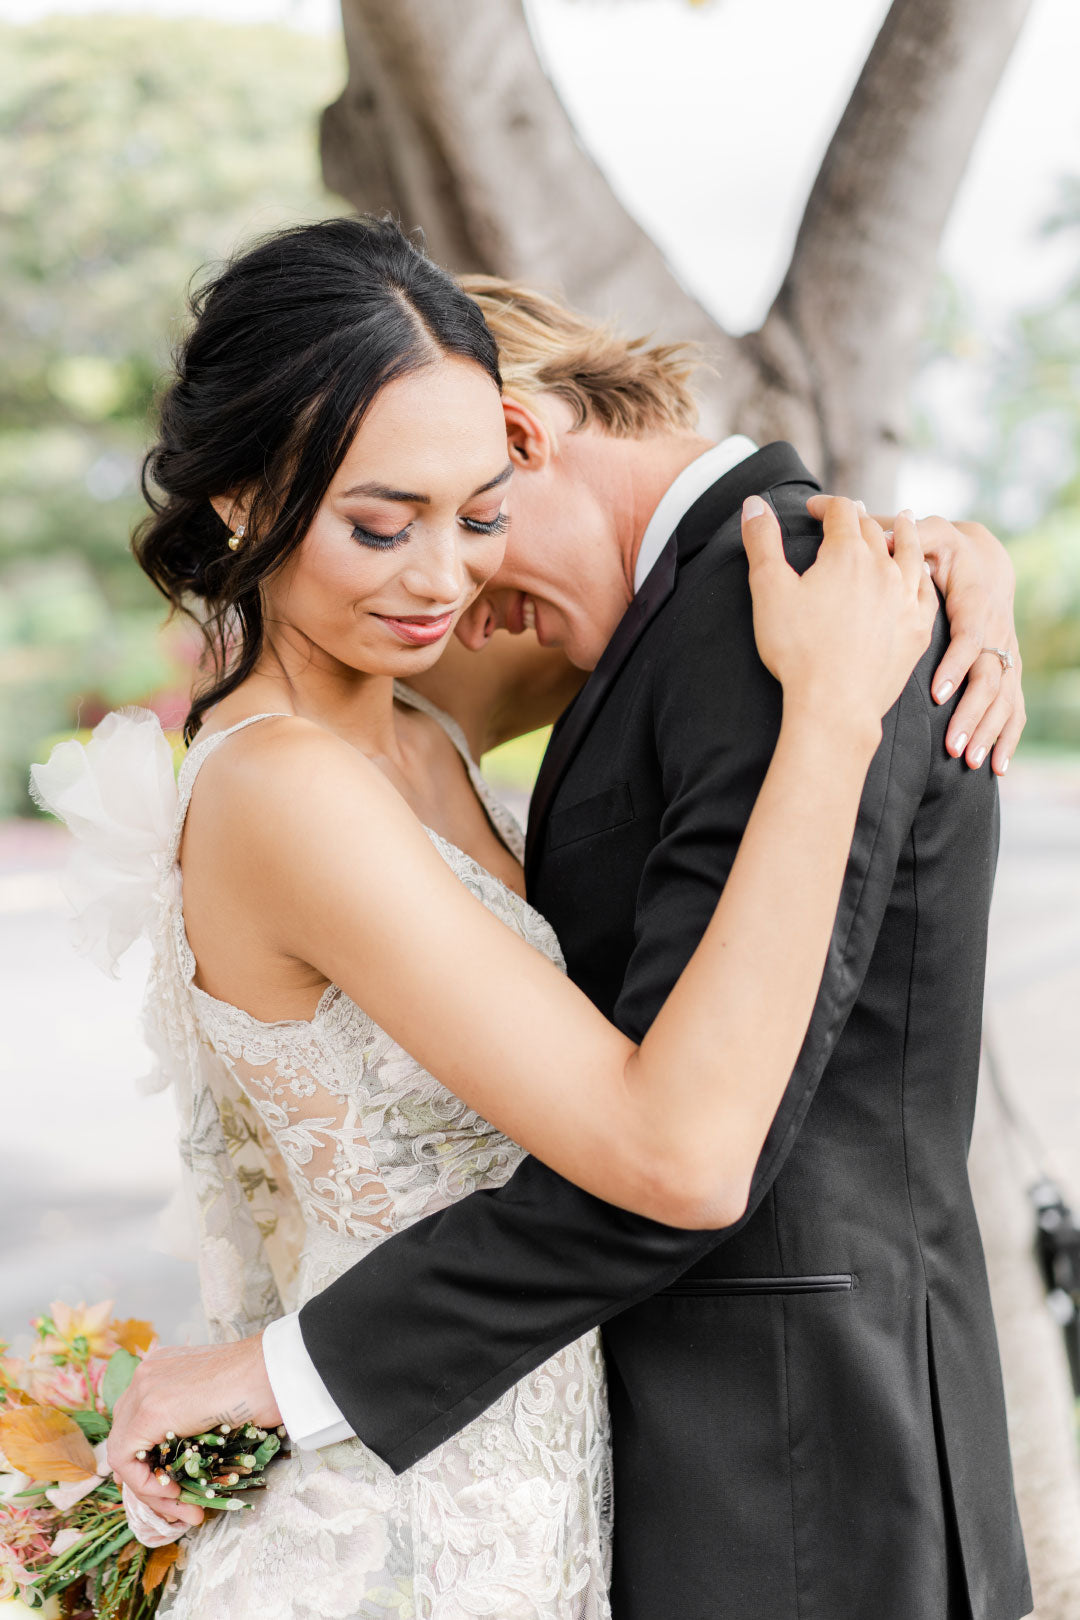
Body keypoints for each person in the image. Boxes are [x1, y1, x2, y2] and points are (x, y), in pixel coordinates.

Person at [83, 236, 1026, 1618]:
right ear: (240, 503)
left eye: (475, 515)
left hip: (551, 1474)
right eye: (377, 522)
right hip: (412, 1510)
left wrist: (944, 557)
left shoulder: (421, 729)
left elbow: (644, 605)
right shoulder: (284, 787)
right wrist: (834, 709)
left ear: (516, 448)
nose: (439, 584)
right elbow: (676, 1153)